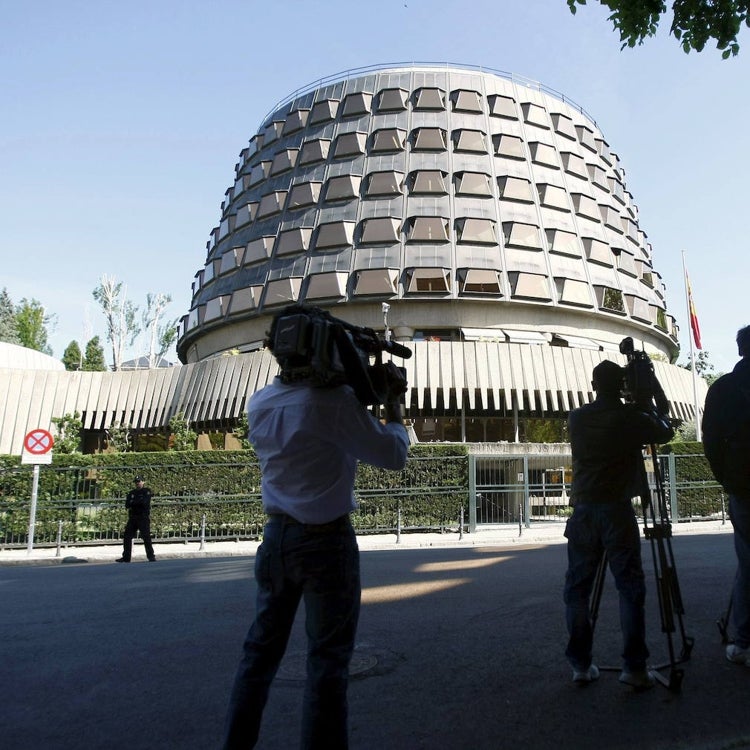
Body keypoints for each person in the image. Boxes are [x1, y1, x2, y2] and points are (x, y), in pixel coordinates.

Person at [222, 305, 409, 750]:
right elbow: (393, 456)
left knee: (258, 657)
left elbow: (316, 413)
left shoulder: (261, 402)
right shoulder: (333, 404)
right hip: (325, 542)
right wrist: (394, 408)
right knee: (327, 663)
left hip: (277, 540)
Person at [563, 359, 673, 689]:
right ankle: (634, 667)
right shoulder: (630, 418)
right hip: (617, 511)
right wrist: (651, 395)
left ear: (594, 385)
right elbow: (665, 431)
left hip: (583, 510)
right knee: (629, 588)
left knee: (577, 589)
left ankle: (580, 664)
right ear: (622, 385)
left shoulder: (577, 417)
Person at [702, 324, 750, 666]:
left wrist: (726, 478)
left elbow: (710, 442)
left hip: (743, 484)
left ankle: (744, 640)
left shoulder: (723, 389)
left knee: (748, 561)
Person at [116, 475, 156, 562]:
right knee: (127, 537)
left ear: (143, 482)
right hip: (133, 517)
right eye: (136, 482)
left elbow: (145, 503)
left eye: (139, 481)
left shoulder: (146, 491)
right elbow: (127, 504)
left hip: (143, 517)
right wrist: (137, 502)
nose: (137, 483)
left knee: (146, 537)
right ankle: (126, 557)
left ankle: (151, 556)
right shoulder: (132, 493)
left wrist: (133, 503)